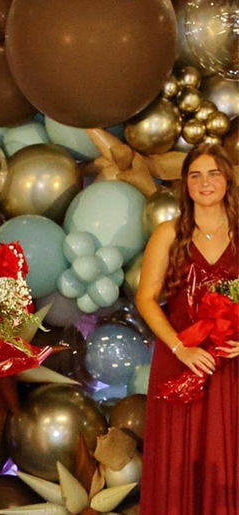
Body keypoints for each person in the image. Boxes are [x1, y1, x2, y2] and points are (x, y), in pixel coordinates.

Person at [137, 144, 238, 515]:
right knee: (179, 459)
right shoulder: (168, 233)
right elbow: (146, 298)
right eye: (195, 175)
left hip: (230, 364)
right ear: (185, 185)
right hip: (181, 358)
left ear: (227, 179)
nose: (205, 182)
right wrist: (181, 348)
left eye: (213, 173)